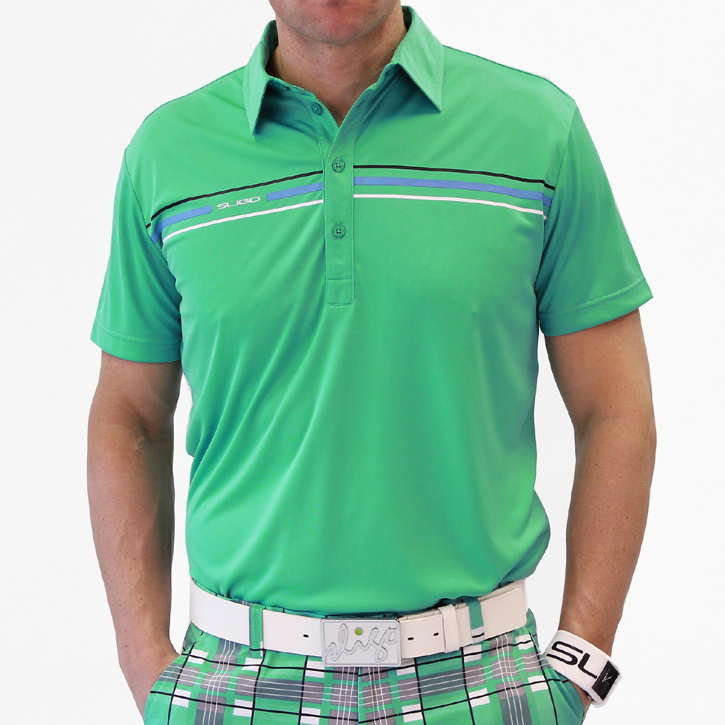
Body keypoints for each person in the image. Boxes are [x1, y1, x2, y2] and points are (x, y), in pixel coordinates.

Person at [87, 2, 656, 723]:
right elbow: (128, 417)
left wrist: (581, 663)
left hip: (480, 679)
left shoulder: (538, 132)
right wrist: (144, 663)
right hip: (236, 686)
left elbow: (615, 407)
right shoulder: (168, 152)